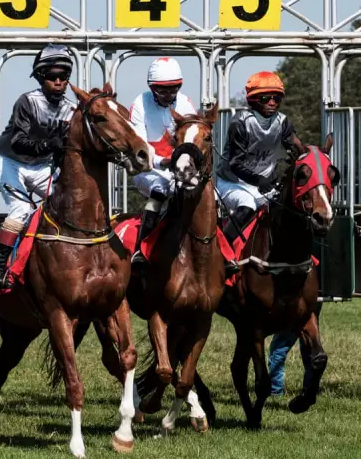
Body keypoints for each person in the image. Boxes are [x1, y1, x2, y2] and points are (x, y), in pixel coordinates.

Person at [0, 44, 76, 289]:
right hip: (9, 160)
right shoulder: (27, 101)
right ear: (40, 77)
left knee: (67, 205)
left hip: (40, 166)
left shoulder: (71, 109)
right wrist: (50, 145)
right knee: (21, 210)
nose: (58, 81)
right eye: (51, 76)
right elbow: (18, 141)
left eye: (64, 76)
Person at [215, 71, 302, 273]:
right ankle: (222, 254)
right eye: (266, 98)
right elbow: (236, 164)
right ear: (253, 100)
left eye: (276, 98)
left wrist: (311, 156)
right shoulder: (241, 123)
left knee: (288, 209)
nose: (272, 102)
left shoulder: (283, 122)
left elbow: (298, 147)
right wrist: (259, 180)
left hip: (263, 184)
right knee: (247, 205)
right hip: (232, 181)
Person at [128, 57, 198, 264]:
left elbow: (191, 140)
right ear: (152, 88)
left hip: (179, 168)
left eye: (173, 88)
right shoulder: (140, 103)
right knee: (160, 189)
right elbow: (138, 146)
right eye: (162, 90)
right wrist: (162, 162)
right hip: (147, 169)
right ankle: (142, 248)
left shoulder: (185, 103)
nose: (169, 95)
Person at [269, 302, 324, 396]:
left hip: (296, 303)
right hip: (315, 300)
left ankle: (275, 390)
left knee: (278, 349)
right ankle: (309, 390)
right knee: (310, 350)